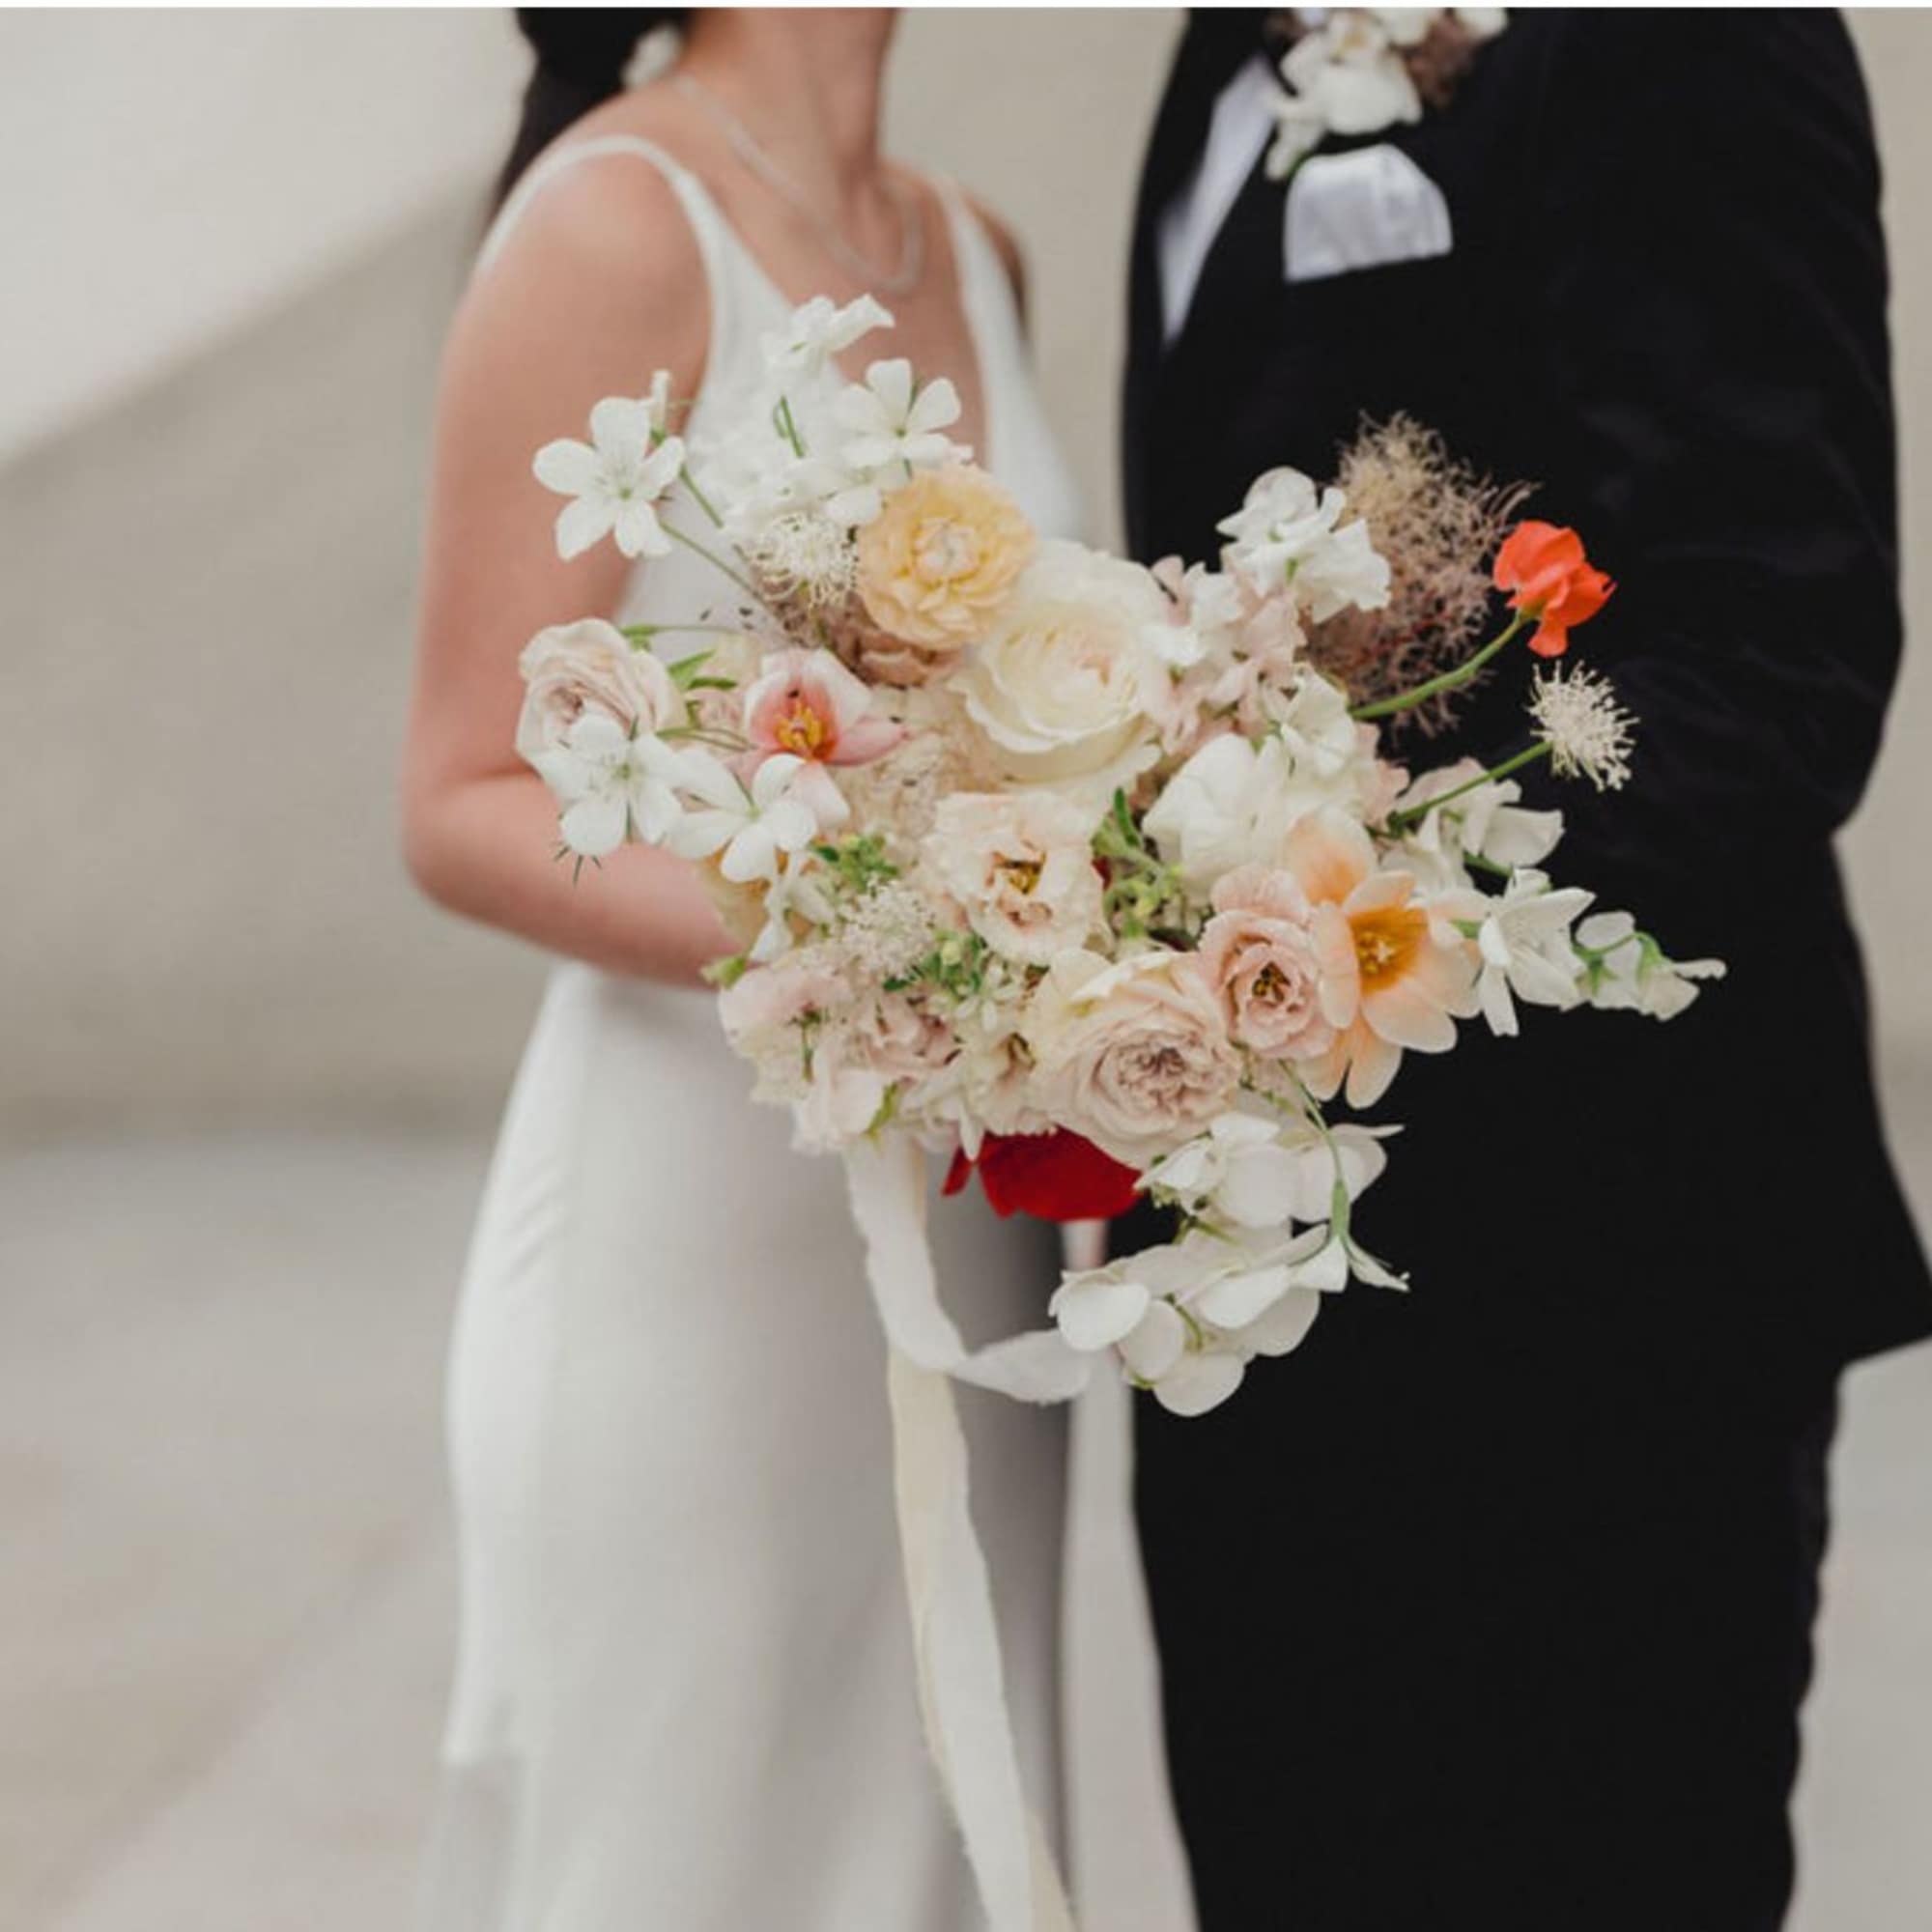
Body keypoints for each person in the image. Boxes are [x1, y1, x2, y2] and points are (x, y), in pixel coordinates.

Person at [1121, 10, 1932, 1930]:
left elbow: (1775, 659)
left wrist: (1338, 872)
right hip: (1245, 1261)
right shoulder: (1220, 43)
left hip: (1598, 1278)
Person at [401, 11, 1083, 1926]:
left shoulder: (974, 246)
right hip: (692, 1253)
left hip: (967, 1242)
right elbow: (458, 796)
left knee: (942, 1834)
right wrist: (887, 945)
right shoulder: (616, 223)